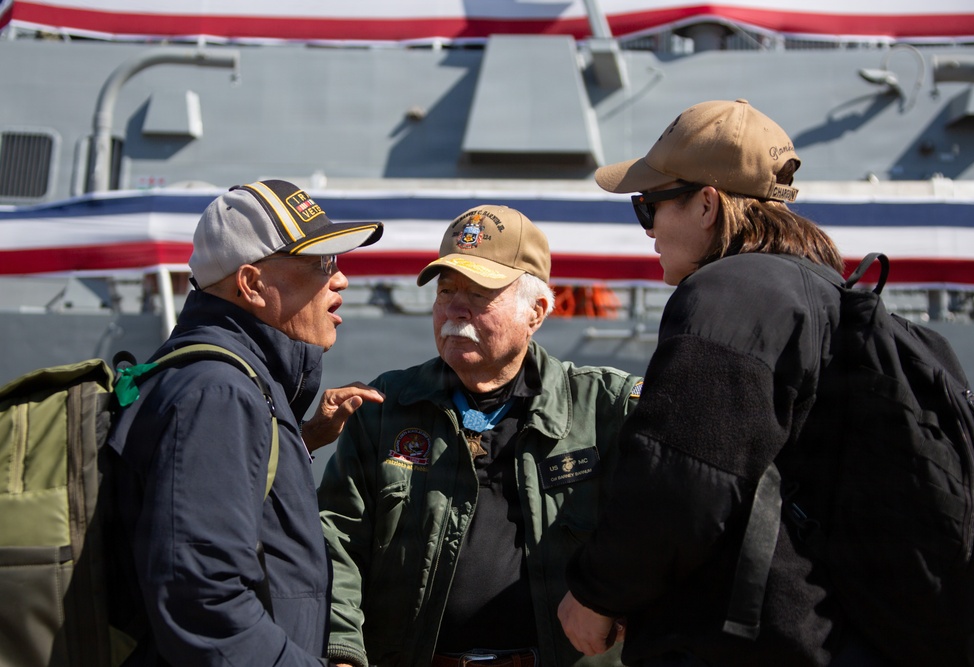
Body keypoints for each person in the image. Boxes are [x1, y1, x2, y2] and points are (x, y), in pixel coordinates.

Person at [558, 99, 891, 666]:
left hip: (745, 642)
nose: (649, 230)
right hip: (836, 634)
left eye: (649, 207)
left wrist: (596, 593)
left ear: (707, 204)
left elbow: (683, 478)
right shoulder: (828, 294)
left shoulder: (728, 294)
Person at [317, 204, 643, 667]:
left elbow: (669, 516)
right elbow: (337, 538)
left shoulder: (604, 408)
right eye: (446, 290)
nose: (454, 310)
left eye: (479, 293)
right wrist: (342, 650)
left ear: (537, 311)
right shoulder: (388, 407)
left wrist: (605, 594)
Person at [107, 179, 386, 666]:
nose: (339, 280)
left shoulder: (234, 380)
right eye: (321, 263)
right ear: (253, 285)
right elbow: (202, 601)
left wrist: (300, 441)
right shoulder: (219, 391)